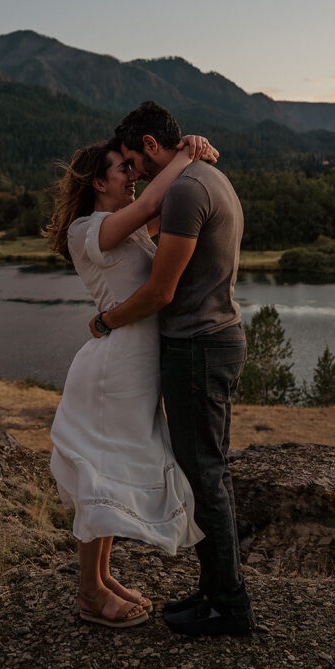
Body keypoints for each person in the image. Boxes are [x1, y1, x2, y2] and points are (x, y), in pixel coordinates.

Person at [89, 101, 255, 637]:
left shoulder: (186, 191)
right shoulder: (209, 177)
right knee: (209, 470)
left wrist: (106, 321)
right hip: (214, 340)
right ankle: (215, 590)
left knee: (206, 474)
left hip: (197, 348)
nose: (133, 175)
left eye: (134, 163)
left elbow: (161, 290)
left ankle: (229, 604)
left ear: (152, 147)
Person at [45, 133, 216, 628]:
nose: (133, 174)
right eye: (124, 167)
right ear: (98, 181)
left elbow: (172, 209)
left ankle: (100, 579)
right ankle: (89, 595)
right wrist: (186, 153)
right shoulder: (88, 229)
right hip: (111, 372)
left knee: (110, 475)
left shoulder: (125, 228)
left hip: (133, 369)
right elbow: (154, 202)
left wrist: (187, 159)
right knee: (100, 474)